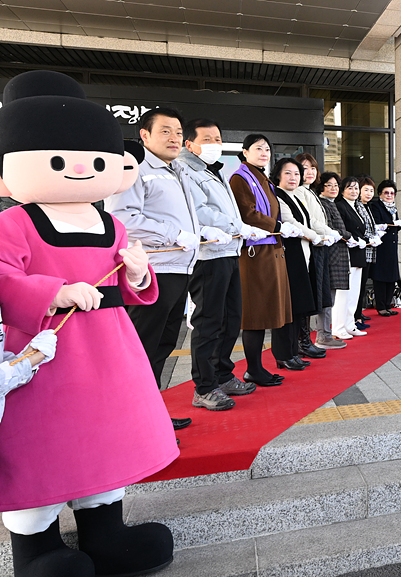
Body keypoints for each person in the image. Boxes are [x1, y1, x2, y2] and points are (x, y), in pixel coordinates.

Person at [0, 70, 177, 577]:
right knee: (43, 448)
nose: (80, 170)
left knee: (104, 438)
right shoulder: (14, 223)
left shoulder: (112, 224)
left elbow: (127, 286)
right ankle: (36, 550)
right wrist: (52, 291)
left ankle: (105, 533)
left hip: (108, 349)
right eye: (58, 162)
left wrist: (139, 272)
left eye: (96, 162)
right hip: (41, 354)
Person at [106, 107, 198, 431]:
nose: (174, 138)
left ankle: (151, 415)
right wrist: (175, 234)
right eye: (165, 131)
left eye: (177, 132)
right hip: (153, 272)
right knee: (143, 349)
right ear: (144, 135)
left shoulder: (179, 170)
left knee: (162, 346)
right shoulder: (136, 169)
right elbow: (125, 219)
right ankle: (133, 422)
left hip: (179, 269)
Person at [176, 118, 267, 411]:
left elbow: (226, 210)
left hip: (229, 251)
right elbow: (199, 210)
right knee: (209, 323)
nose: (214, 144)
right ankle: (204, 387)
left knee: (231, 319)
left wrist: (241, 228)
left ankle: (223, 374)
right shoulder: (186, 170)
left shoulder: (213, 171)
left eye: (217, 138)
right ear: (189, 144)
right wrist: (234, 226)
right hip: (208, 255)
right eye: (207, 139)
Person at [229, 134, 302, 386]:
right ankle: (253, 369)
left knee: (269, 312)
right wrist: (277, 225)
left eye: (268, 149)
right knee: (256, 314)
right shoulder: (240, 178)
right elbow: (247, 213)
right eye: (258, 148)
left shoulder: (262, 177)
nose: (264, 152)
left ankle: (259, 366)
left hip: (271, 250)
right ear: (245, 152)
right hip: (255, 253)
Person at [272, 157, 325, 365]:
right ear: (278, 175)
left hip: (302, 255)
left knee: (297, 308)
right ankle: (284, 355)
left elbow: (308, 221)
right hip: (288, 255)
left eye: (296, 173)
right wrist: (314, 236)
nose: (294, 177)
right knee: (288, 309)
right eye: (288, 173)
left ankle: (293, 351)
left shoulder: (294, 195)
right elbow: (290, 222)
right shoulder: (278, 195)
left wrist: (319, 235)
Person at [293, 155, 342, 353]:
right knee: (311, 294)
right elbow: (310, 220)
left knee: (318, 292)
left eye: (313, 167)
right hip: (310, 244)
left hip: (318, 244)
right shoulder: (298, 191)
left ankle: (309, 340)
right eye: (304, 168)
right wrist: (328, 233)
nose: (310, 172)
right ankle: (306, 341)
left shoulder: (309, 191)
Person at [315, 172, 353, 348]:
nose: (333, 188)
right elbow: (331, 229)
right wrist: (348, 235)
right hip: (331, 255)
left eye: (336, 185)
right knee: (327, 299)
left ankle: (326, 334)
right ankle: (323, 335)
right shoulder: (323, 204)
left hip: (336, 254)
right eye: (329, 185)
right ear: (321, 186)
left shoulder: (330, 203)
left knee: (331, 298)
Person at [333, 176, 370, 339]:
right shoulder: (340, 206)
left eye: (356, 188)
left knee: (354, 292)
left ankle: (350, 324)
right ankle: (338, 327)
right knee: (344, 294)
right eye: (350, 188)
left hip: (358, 252)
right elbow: (341, 229)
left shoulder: (356, 206)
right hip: (346, 252)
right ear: (342, 191)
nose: (354, 191)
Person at [369, 179, 401, 316]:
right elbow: (379, 224)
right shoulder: (376, 206)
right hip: (381, 246)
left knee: (392, 277)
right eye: (386, 193)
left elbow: (394, 228)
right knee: (380, 276)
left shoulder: (393, 208)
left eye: (392, 193)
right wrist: (394, 223)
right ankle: (380, 306)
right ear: (380, 194)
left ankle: (388, 304)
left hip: (392, 246)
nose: (389, 195)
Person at [353, 176, 380, 330]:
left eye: (371, 190)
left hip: (370, 250)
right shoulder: (357, 206)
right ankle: (355, 316)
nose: (369, 193)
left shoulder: (368, 206)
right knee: (358, 284)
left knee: (362, 285)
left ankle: (358, 313)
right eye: (365, 190)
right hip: (362, 250)